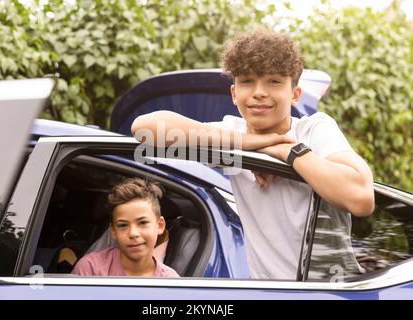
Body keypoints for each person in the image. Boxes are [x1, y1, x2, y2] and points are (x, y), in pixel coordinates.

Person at [131, 28, 375, 280]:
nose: (259, 91)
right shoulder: (232, 138)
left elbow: (361, 199)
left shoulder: (313, 130)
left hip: (331, 291)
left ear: (295, 94)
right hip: (268, 293)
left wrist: (288, 152)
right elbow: (144, 129)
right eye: (247, 81)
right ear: (234, 94)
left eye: (274, 81)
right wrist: (249, 143)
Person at [72, 178, 179, 277]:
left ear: (160, 226)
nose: (133, 233)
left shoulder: (170, 280)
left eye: (142, 223)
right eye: (123, 225)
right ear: (113, 231)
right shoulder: (90, 269)